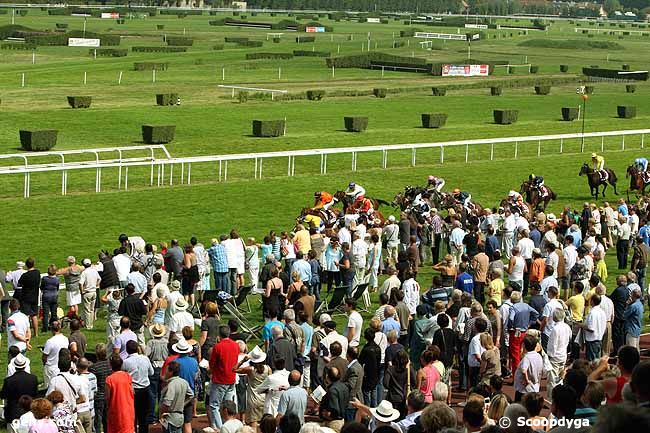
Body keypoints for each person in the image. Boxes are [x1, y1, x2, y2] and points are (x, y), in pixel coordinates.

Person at [209, 325, 240, 430]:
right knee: (227, 406)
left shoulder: (218, 347)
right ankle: (228, 427)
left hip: (220, 380)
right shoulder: (236, 345)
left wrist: (211, 371)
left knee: (214, 406)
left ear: (219, 335)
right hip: (231, 379)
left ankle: (221, 428)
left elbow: (212, 364)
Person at [122, 340, 153, 433]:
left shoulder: (126, 362)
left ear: (127, 350)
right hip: (144, 389)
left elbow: (123, 376)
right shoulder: (145, 359)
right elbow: (151, 373)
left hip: (133, 391)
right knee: (144, 416)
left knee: (133, 416)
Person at [0, 354, 38, 424]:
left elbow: (3, 396)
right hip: (29, 410)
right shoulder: (33, 378)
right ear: (25, 365)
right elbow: (35, 394)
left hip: (13, 413)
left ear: (14, 366)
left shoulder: (9, 381)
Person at [160, 361, 194, 433]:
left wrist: (162, 413)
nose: (165, 372)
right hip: (179, 417)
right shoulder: (184, 382)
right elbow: (191, 395)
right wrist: (182, 404)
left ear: (171, 372)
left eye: (166, 370)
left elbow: (167, 402)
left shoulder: (171, 385)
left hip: (170, 418)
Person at [106, 355, 135, 433]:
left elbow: (108, 397)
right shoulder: (127, 376)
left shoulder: (110, 379)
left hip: (116, 408)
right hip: (128, 407)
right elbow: (132, 391)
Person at [546, 308, 572, 399]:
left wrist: (549, 356)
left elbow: (553, 345)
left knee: (552, 379)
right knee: (560, 378)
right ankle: (559, 396)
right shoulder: (567, 327)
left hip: (555, 356)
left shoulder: (555, 329)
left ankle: (551, 399)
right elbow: (569, 340)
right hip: (563, 354)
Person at [513, 335, 543, 402]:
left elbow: (524, 370)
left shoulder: (527, 357)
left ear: (524, 346)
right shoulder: (538, 356)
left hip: (524, 389)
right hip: (534, 386)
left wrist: (526, 380)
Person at [90, 343, 111, 433]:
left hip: (98, 396)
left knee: (98, 421)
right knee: (107, 420)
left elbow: (92, 383)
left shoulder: (94, 367)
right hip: (108, 395)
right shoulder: (110, 365)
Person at [581, 294, 607, 361]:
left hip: (592, 340)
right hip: (599, 339)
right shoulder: (602, 312)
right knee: (597, 361)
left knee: (592, 362)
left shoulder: (592, 313)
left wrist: (581, 325)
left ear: (592, 301)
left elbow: (591, 328)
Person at [42, 321, 69, 386]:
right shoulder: (65, 339)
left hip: (51, 367)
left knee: (49, 387)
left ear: (51, 329)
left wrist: (45, 365)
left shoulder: (50, 341)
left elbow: (44, 357)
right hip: (61, 366)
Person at [80, 258, 101, 330]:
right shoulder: (94, 271)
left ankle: (88, 326)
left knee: (87, 310)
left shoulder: (84, 272)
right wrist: (96, 286)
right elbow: (99, 279)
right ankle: (91, 324)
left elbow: (80, 283)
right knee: (92, 309)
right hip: (94, 292)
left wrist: (82, 291)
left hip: (87, 292)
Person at [40, 264, 60, 333]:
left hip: (46, 296)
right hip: (54, 296)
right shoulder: (57, 279)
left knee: (45, 313)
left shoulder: (44, 279)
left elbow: (41, 287)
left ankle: (45, 328)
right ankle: (55, 327)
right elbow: (57, 287)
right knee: (54, 313)